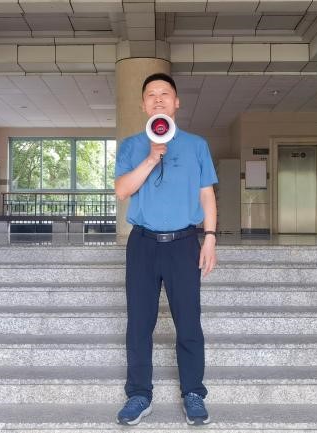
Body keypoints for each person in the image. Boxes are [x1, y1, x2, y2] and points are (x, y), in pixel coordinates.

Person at [114, 72, 218, 426]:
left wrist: (210, 237)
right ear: (143, 105)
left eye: (165, 93)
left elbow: (206, 194)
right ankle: (139, 395)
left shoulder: (196, 145)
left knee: (188, 322)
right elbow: (122, 190)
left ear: (176, 102)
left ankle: (193, 394)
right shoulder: (131, 146)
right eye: (151, 94)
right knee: (138, 323)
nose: (158, 98)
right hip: (142, 244)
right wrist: (151, 158)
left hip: (184, 243)